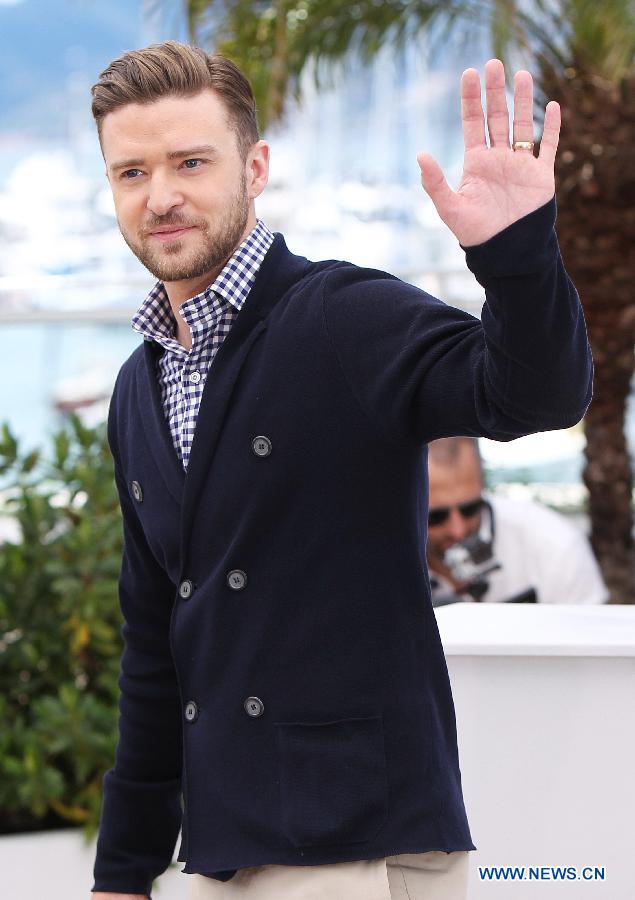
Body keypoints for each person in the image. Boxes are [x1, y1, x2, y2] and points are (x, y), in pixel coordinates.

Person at [89, 41, 592, 900]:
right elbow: (156, 646)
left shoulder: (344, 318)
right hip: (226, 847)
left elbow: (531, 397)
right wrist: (124, 872)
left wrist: (515, 253)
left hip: (354, 837)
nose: (161, 195)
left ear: (255, 167)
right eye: (131, 172)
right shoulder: (140, 386)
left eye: (190, 162)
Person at [426, 437, 608, 604]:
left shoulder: (553, 543)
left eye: (470, 509)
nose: (457, 529)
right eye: (435, 517)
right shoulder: (396, 556)